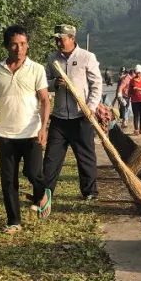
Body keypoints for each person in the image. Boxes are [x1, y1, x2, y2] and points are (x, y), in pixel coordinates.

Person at [0, 25, 52, 233]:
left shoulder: (37, 69)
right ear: (7, 46)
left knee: (34, 173)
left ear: (28, 45)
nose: (19, 48)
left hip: (31, 132)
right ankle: (13, 221)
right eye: (14, 44)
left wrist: (44, 128)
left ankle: (43, 194)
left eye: (23, 44)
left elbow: (44, 100)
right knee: (8, 181)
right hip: (6, 134)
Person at [42, 23, 103, 205]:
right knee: (51, 158)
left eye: (61, 38)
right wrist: (55, 83)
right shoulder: (53, 59)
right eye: (56, 39)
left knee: (86, 157)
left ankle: (89, 192)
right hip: (59, 118)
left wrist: (91, 107)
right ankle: (45, 193)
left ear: (71, 38)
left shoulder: (86, 57)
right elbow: (44, 83)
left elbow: (96, 84)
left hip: (81, 116)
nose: (58, 42)